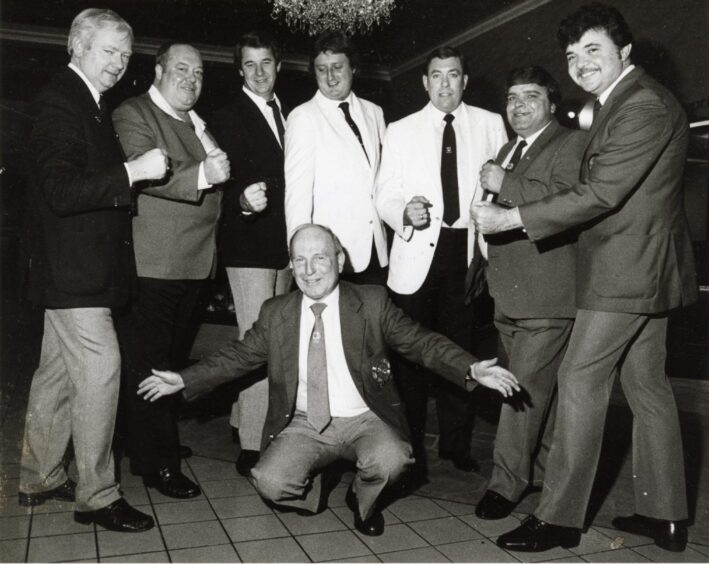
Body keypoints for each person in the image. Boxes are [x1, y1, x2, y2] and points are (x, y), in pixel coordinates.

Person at [471, 3, 697, 552]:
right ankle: (665, 515)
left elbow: (602, 193)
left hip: (623, 272)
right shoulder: (619, 102)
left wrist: (512, 216)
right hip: (645, 270)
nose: (580, 63)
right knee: (647, 388)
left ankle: (560, 518)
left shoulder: (640, 105)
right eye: (572, 55)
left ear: (624, 52)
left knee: (579, 381)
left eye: (592, 49)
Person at [137, 223, 520, 537]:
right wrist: (184, 380)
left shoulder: (371, 302)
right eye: (299, 261)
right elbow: (237, 356)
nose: (309, 270)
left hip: (364, 419)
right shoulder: (277, 313)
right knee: (270, 483)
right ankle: (317, 487)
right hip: (304, 423)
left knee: (392, 461)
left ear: (339, 259)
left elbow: (422, 343)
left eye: (319, 257)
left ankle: (362, 498)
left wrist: (470, 368)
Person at [18, 8, 167, 532]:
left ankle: (39, 477)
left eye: (125, 55)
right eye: (109, 51)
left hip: (75, 272)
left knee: (58, 374)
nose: (119, 64)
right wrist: (133, 171)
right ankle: (98, 495)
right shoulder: (61, 102)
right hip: (74, 273)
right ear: (76, 45)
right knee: (102, 370)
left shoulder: (90, 104)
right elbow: (61, 191)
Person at [375, 46, 507, 482]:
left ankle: (456, 446)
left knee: (460, 354)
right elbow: (384, 193)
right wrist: (403, 214)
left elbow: (499, 190)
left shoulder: (490, 124)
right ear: (425, 82)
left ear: (465, 81)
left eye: (454, 75)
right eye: (437, 75)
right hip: (415, 255)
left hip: (466, 255)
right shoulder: (400, 130)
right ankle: (406, 448)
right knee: (409, 360)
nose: (445, 84)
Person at [113, 42, 230, 499]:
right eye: (181, 69)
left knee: (167, 362)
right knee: (153, 367)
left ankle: (148, 446)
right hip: (154, 263)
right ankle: (158, 462)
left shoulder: (196, 122)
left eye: (198, 72)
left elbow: (219, 187)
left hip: (195, 263)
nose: (191, 78)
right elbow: (147, 170)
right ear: (158, 70)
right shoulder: (134, 112)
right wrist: (204, 175)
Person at [472, 66, 585, 520]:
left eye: (531, 97)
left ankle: (505, 484)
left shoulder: (571, 143)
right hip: (511, 293)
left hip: (546, 294)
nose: (519, 106)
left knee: (518, 392)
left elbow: (566, 200)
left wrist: (505, 182)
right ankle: (539, 474)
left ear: (552, 104)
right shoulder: (509, 148)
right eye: (512, 98)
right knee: (539, 394)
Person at [210, 31, 292, 477]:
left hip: (283, 246)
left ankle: (244, 418)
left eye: (266, 63)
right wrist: (242, 200)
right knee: (259, 342)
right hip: (248, 245)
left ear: (278, 65)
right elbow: (219, 189)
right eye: (250, 65)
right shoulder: (226, 117)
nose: (259, 72)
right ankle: (252, 445)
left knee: (272, 338)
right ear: (239, 69)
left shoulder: (288, 114)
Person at [285, 31, 388, 284]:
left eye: (337, 67)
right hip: (330, 252)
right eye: (322, 70)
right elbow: (297, 194)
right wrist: (300, 255)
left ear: (353, 68)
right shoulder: (303, 117)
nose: (330, 77)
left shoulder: (374, 112)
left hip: (377, 247)